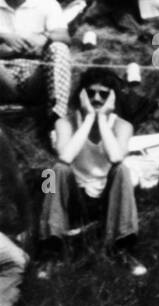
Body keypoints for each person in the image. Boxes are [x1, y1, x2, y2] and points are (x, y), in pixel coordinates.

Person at [39, 67, 146, 277]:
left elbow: (116, 158)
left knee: (122, 169)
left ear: (112, 98)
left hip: (106, 199)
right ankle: (51, 251)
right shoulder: (65, 122)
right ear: (82, 95)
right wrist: (88, 119)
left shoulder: (123, 125)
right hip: (75, 196)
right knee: (55, 171)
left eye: (104, 94)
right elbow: (64, 157)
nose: (96, 98)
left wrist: (104, 120)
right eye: (90, 93)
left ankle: (122, 248)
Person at [0, 0, 72, 124]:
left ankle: (56, 119)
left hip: (36, 75)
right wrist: (3, 37)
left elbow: (65, 36)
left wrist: (45, 38)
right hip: (3, 77)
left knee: (59, 48)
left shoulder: (46, 3)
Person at [0, 125, 28, 306]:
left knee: (53, 173)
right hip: (48, 171)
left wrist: (28, 222)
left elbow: (16, 180)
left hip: (46, 173)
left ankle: (50, 244)